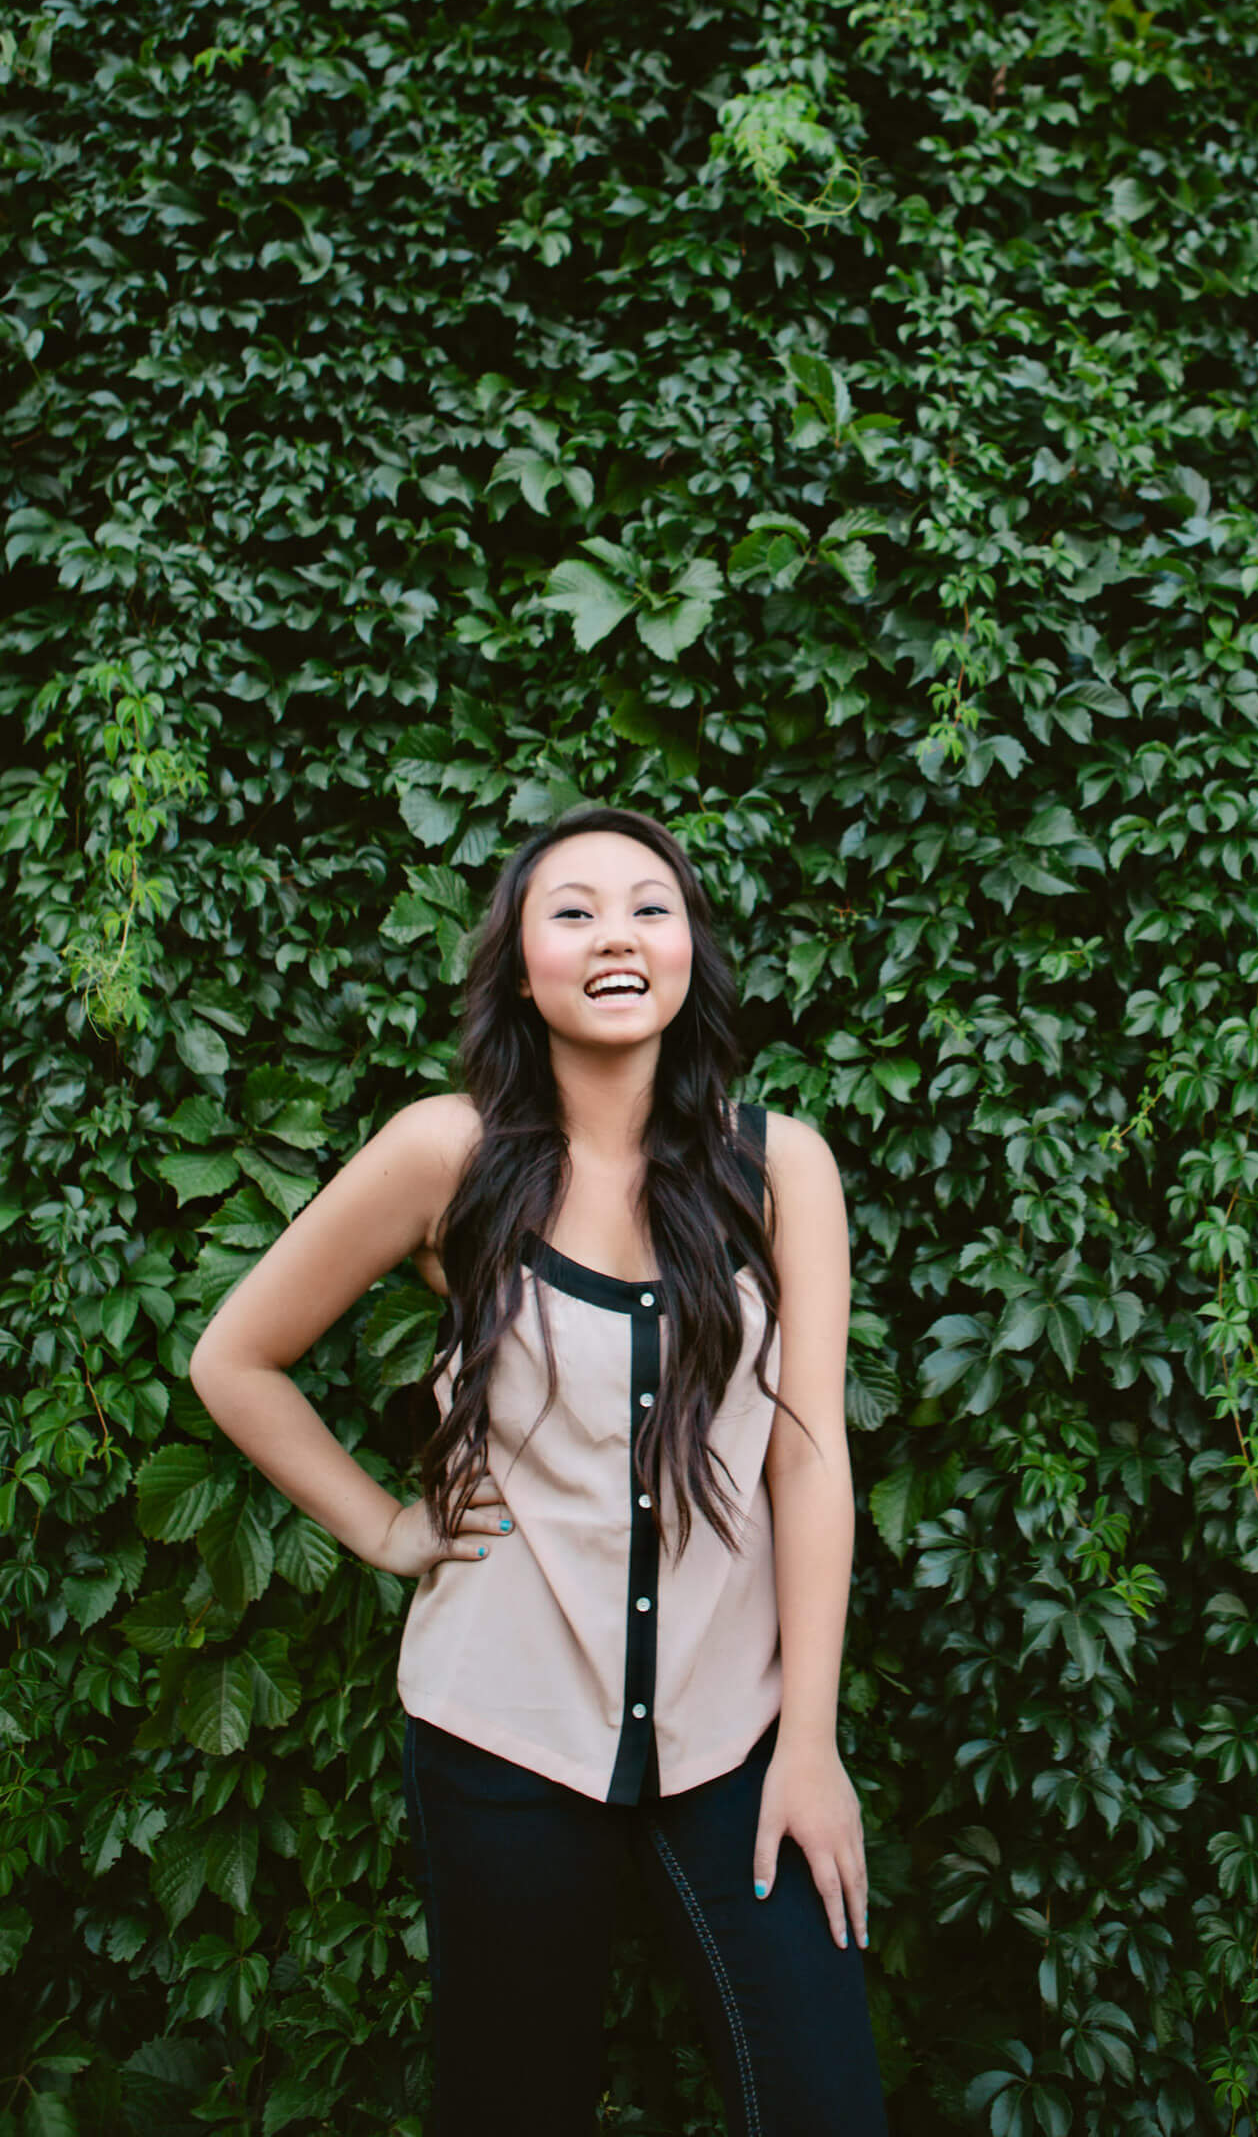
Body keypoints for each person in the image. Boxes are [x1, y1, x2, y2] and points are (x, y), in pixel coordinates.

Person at [189, 803, 889, 2136]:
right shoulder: (444, 1155)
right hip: (499, 1736)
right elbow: (237, 1359)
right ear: (521, 966)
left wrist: (810, 1743)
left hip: (737, 1735)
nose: (615, 935)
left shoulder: (782, 1166)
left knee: (824, 2106)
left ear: (690, 951)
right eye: (572, 911)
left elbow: (809, 1461)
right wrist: (393, 1529)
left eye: (650, 905)